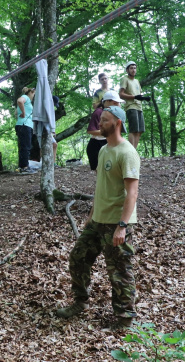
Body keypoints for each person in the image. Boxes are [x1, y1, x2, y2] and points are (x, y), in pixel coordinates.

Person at [56, 106, 140, 330]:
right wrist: (92, 214)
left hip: (117, 223)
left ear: (117, 123)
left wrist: (122, 226)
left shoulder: (127, 152)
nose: (99, 124)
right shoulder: (103, 150)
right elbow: (101, 186)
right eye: (100, 120)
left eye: (104, 121)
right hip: (98, 220)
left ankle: (125, 319)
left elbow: (132, 193)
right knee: (78, 258)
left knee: (119, 270)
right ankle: (80, 302)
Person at [86, 90, 124, 170]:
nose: (118, 105)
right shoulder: (98, 112)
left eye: (118, 103)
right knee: (101, 172)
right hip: (96, 146)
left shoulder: (113, 112)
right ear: (107, 102)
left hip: (107, 143)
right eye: (115, 103)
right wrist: (109, 132)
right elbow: (90, 130)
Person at [119, 61, 151, 149]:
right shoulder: (125, 79)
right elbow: (120, 94)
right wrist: (134, 97)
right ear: (127, 70)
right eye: (131, 68)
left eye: (134, 68)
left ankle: (134, 151)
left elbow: (139, 94)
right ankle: (131, 151)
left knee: (140, 131)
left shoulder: (137, 81)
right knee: (134, 130)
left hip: (139, 107)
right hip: (131, 106)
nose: (133, 70)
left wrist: (144, 98)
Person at [15, 87, 35, 173]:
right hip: (24, 125)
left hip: (23, 124)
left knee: (24, 146)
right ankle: (25, 167)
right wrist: (23, 113)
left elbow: (15, 113)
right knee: (26, 146)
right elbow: (19, 101)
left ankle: (22, 166)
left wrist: (20, 113)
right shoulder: (25, 97)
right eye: (34, 94)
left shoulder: (28, 101)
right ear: (31, 92)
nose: (34, 96)